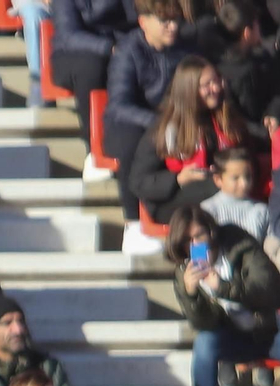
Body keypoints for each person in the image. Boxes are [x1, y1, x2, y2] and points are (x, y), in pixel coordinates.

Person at [168, 202, 280, 386]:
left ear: (211, 230)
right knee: (205, 343)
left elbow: (265, 285)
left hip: (274, 329)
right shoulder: (184, 271)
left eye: (199, 235)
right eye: (188, 240)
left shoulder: (236, 241)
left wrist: (224, 288)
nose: (196, 244)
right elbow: (205, 324)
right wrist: (192, 294)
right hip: (237, 338)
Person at [127, 56, 256, 232]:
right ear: (190, 89)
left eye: (217, 81)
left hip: (224, 191)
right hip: (175, 199)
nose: (216, 88)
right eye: (207, 85)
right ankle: (199, 258)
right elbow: (138, 181)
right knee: (212, 201)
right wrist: (179, 178)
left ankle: (235, 253)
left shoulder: (227, 119)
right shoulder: (165, 129)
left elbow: (248, 152)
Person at [106, 0, 189, 247]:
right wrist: (157, 124)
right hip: (134, 122)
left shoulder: (185, 49)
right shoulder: (128, 50)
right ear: (144, 23)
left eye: (175, 20)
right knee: (130, 141)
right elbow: (119, 104)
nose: (172, 27)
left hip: (172, 122)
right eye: (165, 21)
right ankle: (133, 222)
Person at [49, 0, 137, 169]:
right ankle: (94, 147)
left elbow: (136, 20)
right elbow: (69, 35)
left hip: (118, 45)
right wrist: (110, 48)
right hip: (72, 53)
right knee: (92, 67)